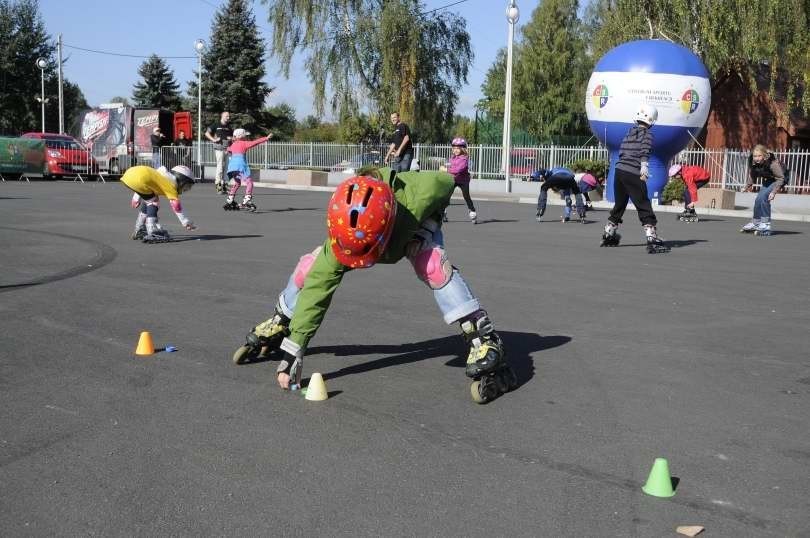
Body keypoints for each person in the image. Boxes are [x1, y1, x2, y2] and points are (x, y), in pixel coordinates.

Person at [232, 169, 517, 404]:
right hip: (369, 231)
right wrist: (295, 348)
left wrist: (430, 224)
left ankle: (483, 336)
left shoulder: (422, 192)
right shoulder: (344, 227)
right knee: (312, 268)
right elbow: (318, 291)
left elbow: (447, 182)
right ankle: (283, 319)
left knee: (432, 264)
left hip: (408, 228)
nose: (355, 261)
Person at [599, 103, 670, 253]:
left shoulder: (629, 133)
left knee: (620, 204)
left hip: (619, 171)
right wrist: (644, 167)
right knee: (643, 203)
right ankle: (651, 237)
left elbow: (623, 151)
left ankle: (608, 232)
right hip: (633, 172)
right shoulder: (648, 135)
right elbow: (645, 150)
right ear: (652, 120)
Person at [120, 165, 197, 243]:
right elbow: (176, 206)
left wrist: (136, 198)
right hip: (139, 179)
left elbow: (145, 178)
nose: (185, 189)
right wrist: (185, 222)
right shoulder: (171, 184)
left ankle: (139, 229)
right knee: (154, 202)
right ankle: (152, 230)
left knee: (149, 199)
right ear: (181, 180)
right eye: (186, 186)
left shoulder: (161, 175)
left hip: (129, 175)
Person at [740, 144, 786, 236]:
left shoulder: (773, 163)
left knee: (765, 197)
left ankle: (765, 224)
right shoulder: (754, 163)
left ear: (764, 156)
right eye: (755, 156)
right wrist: (747, 186)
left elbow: (781, 178)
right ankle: (756, 222)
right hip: (769, 180)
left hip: (779, 179)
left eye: (759, 156)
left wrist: (773, 192)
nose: (756, 158)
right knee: (758, 200)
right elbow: (753, 175)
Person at [223, 128, 272, 212]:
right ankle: (246, 201)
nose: (246, 137)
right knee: (249, 182)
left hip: (232, 167)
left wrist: (228, 149)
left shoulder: (233, 144)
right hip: (240, 166)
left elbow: (228, 150)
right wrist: (266, 138)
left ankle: (230, 200)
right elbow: (255, 142)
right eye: (245, 135)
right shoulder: (244, 143)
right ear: (241, 136)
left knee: (237, 183)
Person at [442, 137, 477, 224]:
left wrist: (446, 170)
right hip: (453, 180)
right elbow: (450, 165)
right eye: (454, 148)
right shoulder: (452, 158)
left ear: (463, 148)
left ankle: (472, 211)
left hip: (463, 181)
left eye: (458, 148)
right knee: (446, 196)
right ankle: (442, 212)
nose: (456, 150)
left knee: (466, 197)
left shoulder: (464, 159)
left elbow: (458, 170)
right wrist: (445, 167)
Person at [205, 111, 232, 194]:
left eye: (229, 116)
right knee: (220, 167)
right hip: (219, 148)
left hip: (227, 149)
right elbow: (206, 133)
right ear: (222, 116)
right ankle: (218, 185)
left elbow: (231, 137)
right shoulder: (216, 125)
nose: (228, 118)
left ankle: (225, 184)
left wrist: (230, 139)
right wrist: (213, 139)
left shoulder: (229, 127)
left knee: (227, 168)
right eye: (227, 116)